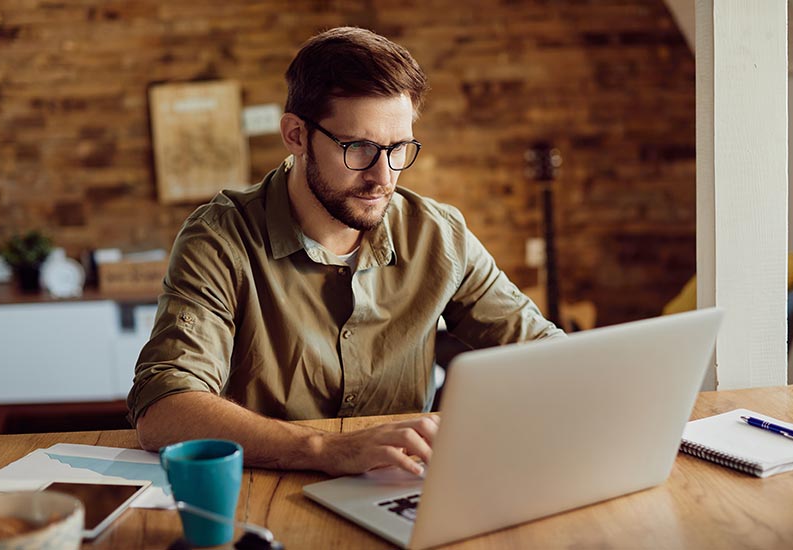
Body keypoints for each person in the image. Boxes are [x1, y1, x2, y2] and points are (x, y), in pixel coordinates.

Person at [127, 27, 564, 477]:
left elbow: (548, 354)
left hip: (399, 486)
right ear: (296, 135)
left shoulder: (439, 234)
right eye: (360, 148)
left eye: (399, 149)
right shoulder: (219, 238)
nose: (384, 176)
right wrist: (326, 449)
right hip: (267, 489)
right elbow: (165, 409)